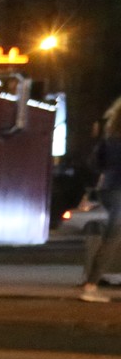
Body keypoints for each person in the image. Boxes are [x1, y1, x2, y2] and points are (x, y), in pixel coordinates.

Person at [80, 109, 121, 303]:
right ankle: (91, 286)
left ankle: (92, 285)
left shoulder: (109, 140)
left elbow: (93, 164)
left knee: (112, 237)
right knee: (112, 238)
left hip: (108, 189)